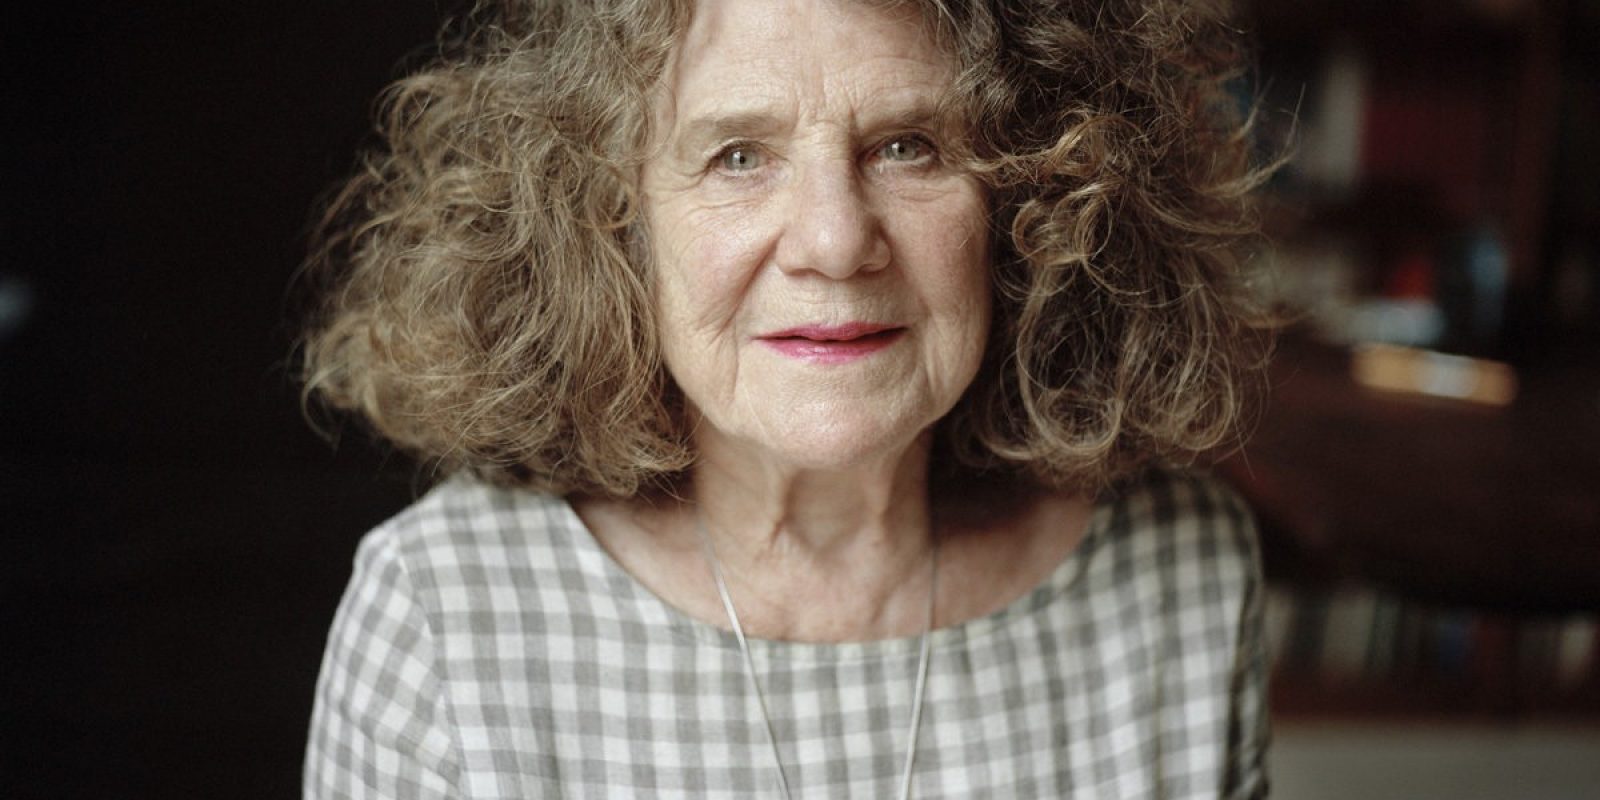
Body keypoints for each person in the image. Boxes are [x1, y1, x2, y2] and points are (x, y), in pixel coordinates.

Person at [299, 0, 1275, 797]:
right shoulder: (443, 615)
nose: (834, 241)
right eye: (738, 155)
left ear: (1037, 199)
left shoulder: (1183, 571)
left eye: (907, 146)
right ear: (610, 222)